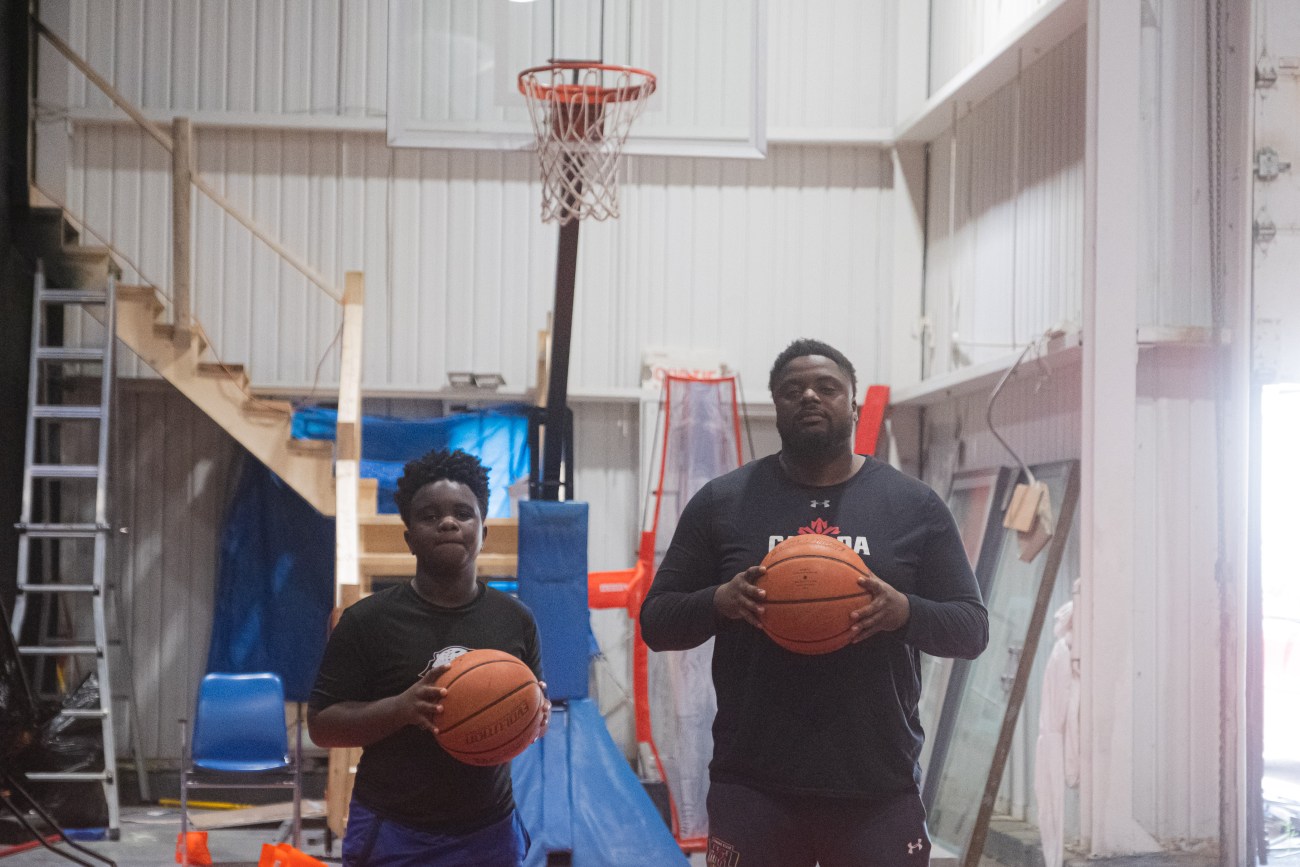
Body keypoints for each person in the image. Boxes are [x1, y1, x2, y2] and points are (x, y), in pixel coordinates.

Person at [639, 338, 988, 867]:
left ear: (853, 403)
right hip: (753, 782)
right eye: (791, 390)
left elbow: (971, 629)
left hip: (877, 783)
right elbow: (657, 622)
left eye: (827, 387)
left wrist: (905, 612)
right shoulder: (723, 502)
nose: (809, 397)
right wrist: (720, 601)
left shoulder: (913, 505)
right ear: (775, 406)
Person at [308, 448, 549, 867]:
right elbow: (322, 726)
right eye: (430, 515)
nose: (448, 522)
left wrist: (534, 716)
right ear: (409, 539)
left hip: (490, 830)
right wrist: (402, 708)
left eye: (463, 512)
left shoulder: (516, 619)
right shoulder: (367, 620)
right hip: (393, 828)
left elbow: (527, 711)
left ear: (483, 532)